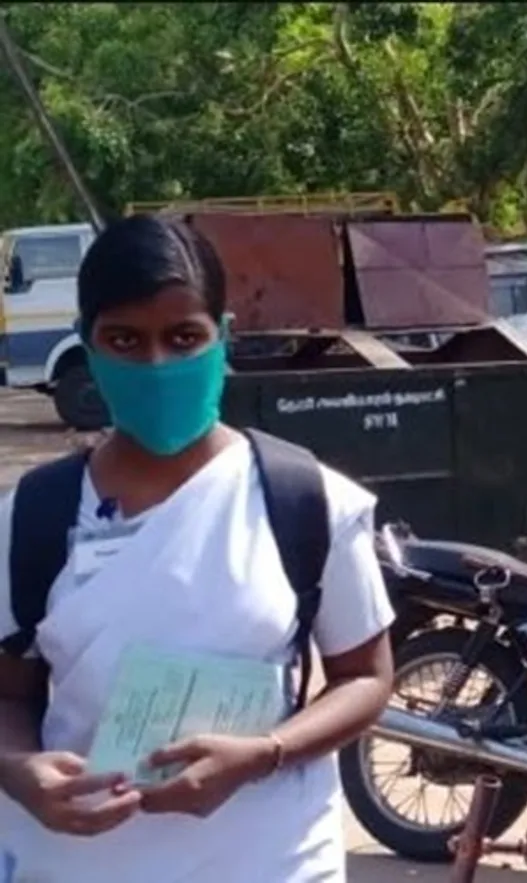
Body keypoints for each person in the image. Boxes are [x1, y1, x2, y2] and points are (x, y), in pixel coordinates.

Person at [0, 214, 395, 881]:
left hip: (270, 858)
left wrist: (265, 751)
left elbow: (364, 677)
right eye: (124, 339)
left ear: (223, 337)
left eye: (183, 337)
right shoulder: (30, 515)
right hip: (76, 862)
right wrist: (17, 770)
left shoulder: (307, 500)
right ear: (88, 346)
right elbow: (7, 696)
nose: (155, 364)